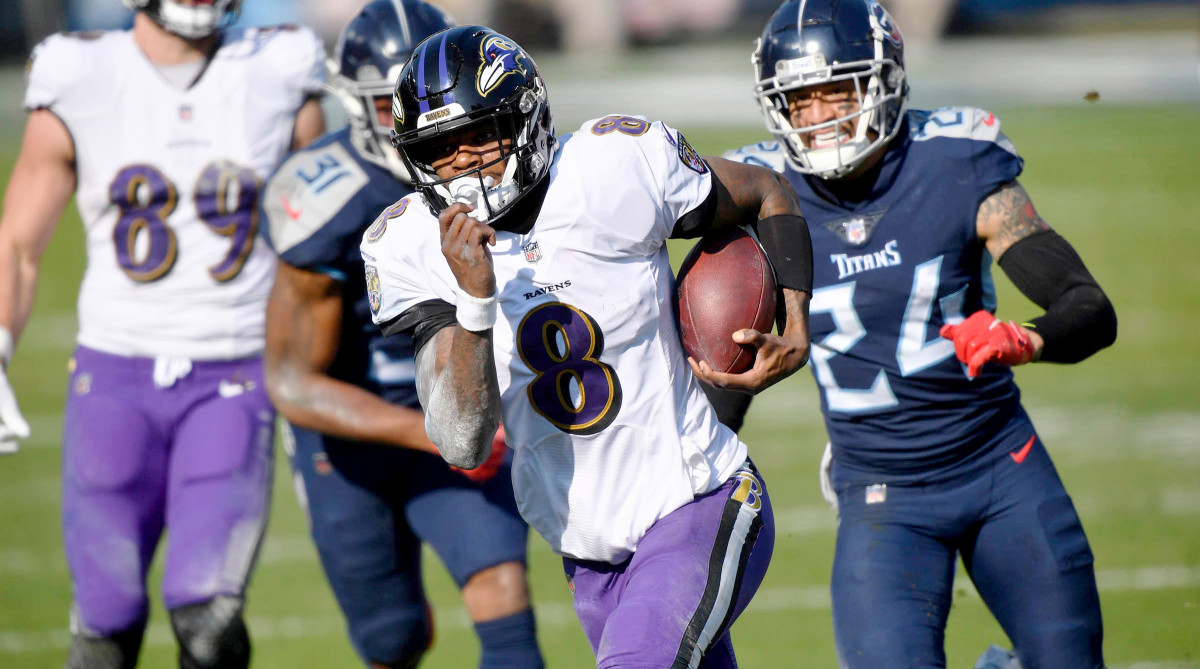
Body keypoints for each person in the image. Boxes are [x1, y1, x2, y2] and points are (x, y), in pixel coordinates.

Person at [364, 24, 815, 668]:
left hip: (698, 500)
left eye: (479, 136)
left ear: (525, 120)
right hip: (589, 554)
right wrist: (475, 303)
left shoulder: (612, 166)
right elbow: (461, 441)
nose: (461, 161)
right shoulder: (409, 243)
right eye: (440, 148)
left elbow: (766, 190)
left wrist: (794, 320)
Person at [724, 1, 1117, 667]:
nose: (820, 119)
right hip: (881, 493)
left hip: (1000, 466)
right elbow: (724, 377)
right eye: (800, 101)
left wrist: (1027, 338)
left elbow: (1087, 306)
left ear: (883, 82)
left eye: (834, 93)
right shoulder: (764, 196)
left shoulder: (955, 164)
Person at [0, 0, 326, 666]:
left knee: (209, 622)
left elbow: (322, 239)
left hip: (233, 378)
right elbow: (19, 244)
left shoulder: (277, 67)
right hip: (114, 376)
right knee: (104, 629)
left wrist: (322, 377)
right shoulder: (81, 72)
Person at [258, 3, 544, 668]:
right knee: (392, 639)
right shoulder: (323, 198)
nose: (423, 127)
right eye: (396, 106)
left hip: (464, 398)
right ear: (357, 104)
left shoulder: (501, 171)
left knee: (503, 592)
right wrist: (429, 432)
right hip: (352, 437)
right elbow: (292, 381)